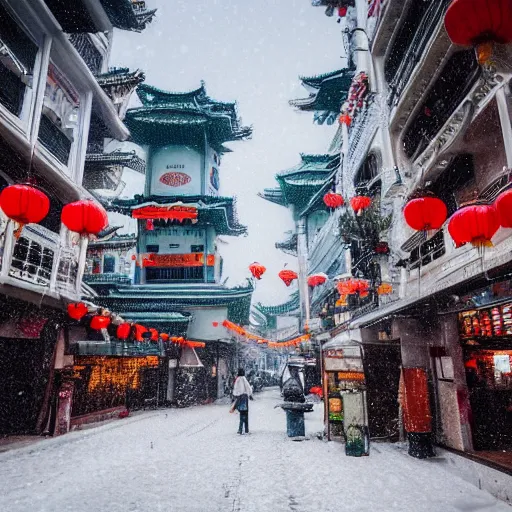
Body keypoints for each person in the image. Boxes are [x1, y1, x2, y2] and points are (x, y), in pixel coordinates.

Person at [231, 368, 253, 434]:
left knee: (241, 413)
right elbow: (248, 388)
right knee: (245, 413)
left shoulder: (237, 379)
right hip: (244, 398)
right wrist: (249, 394)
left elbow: (235, 390)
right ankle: (246, 429)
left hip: (239, 398)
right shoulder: (243, 379)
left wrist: (236, 396)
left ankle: (240, 429)